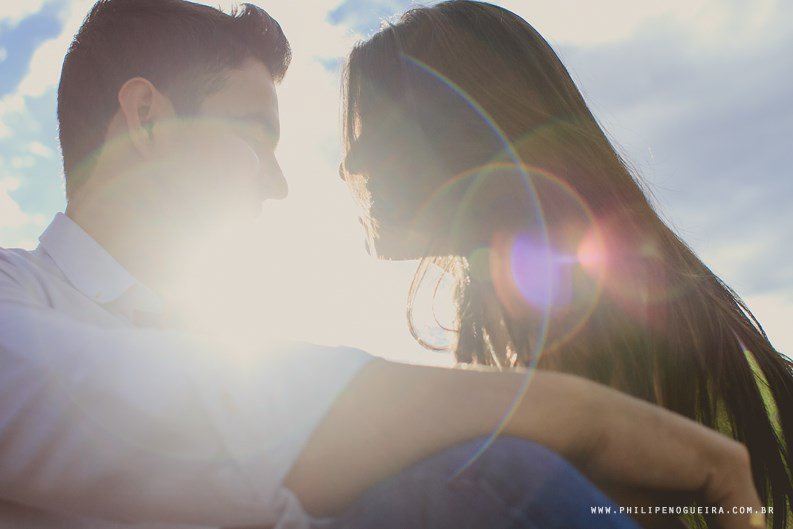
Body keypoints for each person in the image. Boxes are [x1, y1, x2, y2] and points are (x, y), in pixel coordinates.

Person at [0, 1, 764, 529]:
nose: (285, 182)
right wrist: (564, 411)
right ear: (145, 119)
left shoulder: (224, 345)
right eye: (252, 135)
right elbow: (213, 412)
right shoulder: (19, 305)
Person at [339, 1, 793, 528]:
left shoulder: (584, 304)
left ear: (472, 127)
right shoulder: (574, 287)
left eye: (381, 125)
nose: (354, 160)